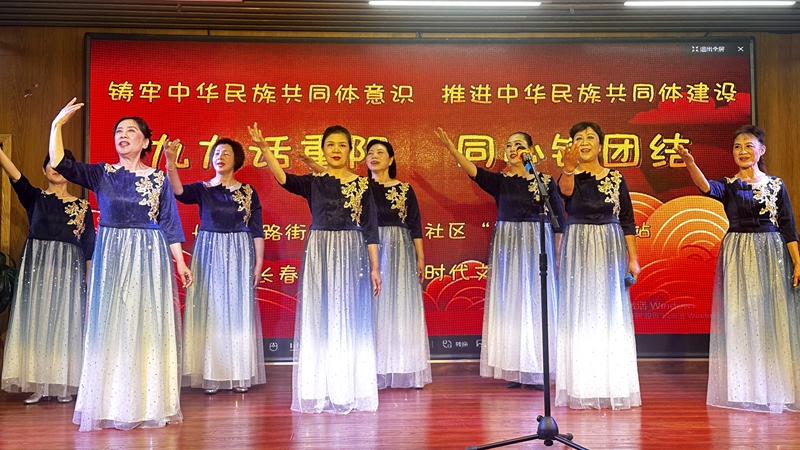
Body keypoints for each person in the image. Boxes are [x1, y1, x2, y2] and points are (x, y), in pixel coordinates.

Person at [49, 98, 192, 431]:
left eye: (130, 131)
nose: (123, 135)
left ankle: (149, 402)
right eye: (118, 131)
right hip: (112, 255)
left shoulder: (158, 179)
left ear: (145, 141)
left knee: (146, 326)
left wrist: (180, 263)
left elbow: (170, 224)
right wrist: (57, 125)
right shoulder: (102, 173)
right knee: (112, 326)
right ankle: (112, 402)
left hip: (149, 256)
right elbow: (60, 162)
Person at [248, 122, 381, 413]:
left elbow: (371, 229)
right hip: (319, 251)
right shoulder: (314, 182)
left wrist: (375, 267)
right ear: (323, 150)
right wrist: (266, 150)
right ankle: (319, 388)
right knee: (321, 316)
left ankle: (348, 388)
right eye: (330, 145)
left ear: (351, 150)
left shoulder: (362, 185)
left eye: (342, 145)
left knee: (348, 317)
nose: (336, 150)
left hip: (351, 253)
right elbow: (283, 179)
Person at [676, 125, 800, 413]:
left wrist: (797, 261)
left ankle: (776, 387)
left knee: (771, 318)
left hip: (772, 252)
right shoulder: (729, 185)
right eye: (737, 147)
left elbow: (788, 225)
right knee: (741, 317)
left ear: (761, 150)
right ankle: (744, 388)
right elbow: (706, 187)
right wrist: (690, 163)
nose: (743, 151)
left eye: (749, 146)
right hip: (738, 253)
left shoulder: (776, 185)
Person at [434, 128, 565, 390]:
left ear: (530, 150)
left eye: (518, 145)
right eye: (508, 145)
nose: (513, 149)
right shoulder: (501, 181)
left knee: (535, 304)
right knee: (511, 304)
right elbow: (474, 172)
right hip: (508, 245)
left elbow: (558, 220)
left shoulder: (545, 182)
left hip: (536, 244)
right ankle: (515, 368)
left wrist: (557, 254)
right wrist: (453, 150)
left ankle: (537, 369)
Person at [164, 137, 266, 395]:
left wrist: (258, 263)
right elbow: (178, 192)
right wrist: (171, 164)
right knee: (211, 311)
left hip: (240, 253)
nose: (220, 157)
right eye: (217, 153)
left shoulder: (248, 192)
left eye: (226, 153)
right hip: (208, 252)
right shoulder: (203, 189)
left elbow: (257, 230)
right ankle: (211, 372)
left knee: (237, 311)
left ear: (236, 160)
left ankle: (239, 372)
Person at [555, 121, 641, 410]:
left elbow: (627, 219)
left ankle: (611, 383)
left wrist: (633, 258)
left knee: (609, 311)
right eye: (579, 138)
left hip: (609, 246)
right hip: (578, 245)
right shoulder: (568, 175)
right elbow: (565, 193)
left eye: (590, 137)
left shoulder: (616, 177)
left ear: (600, 145)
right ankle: (582, 384)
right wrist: (568, 168)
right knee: (580, 311)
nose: (585, 142)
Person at [0, 148, 95, 404]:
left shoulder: (83, 206)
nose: (55, 168)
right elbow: (15, 175)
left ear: (71, 171)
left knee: (66, 324)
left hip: (70, 273)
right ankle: (39, 384)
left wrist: (89, 278)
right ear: (44, 170)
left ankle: (63, 384)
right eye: (50, 163)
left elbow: (89, 245)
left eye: (61, 163)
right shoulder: (35, 198)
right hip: (38, 271)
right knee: (38, 324)